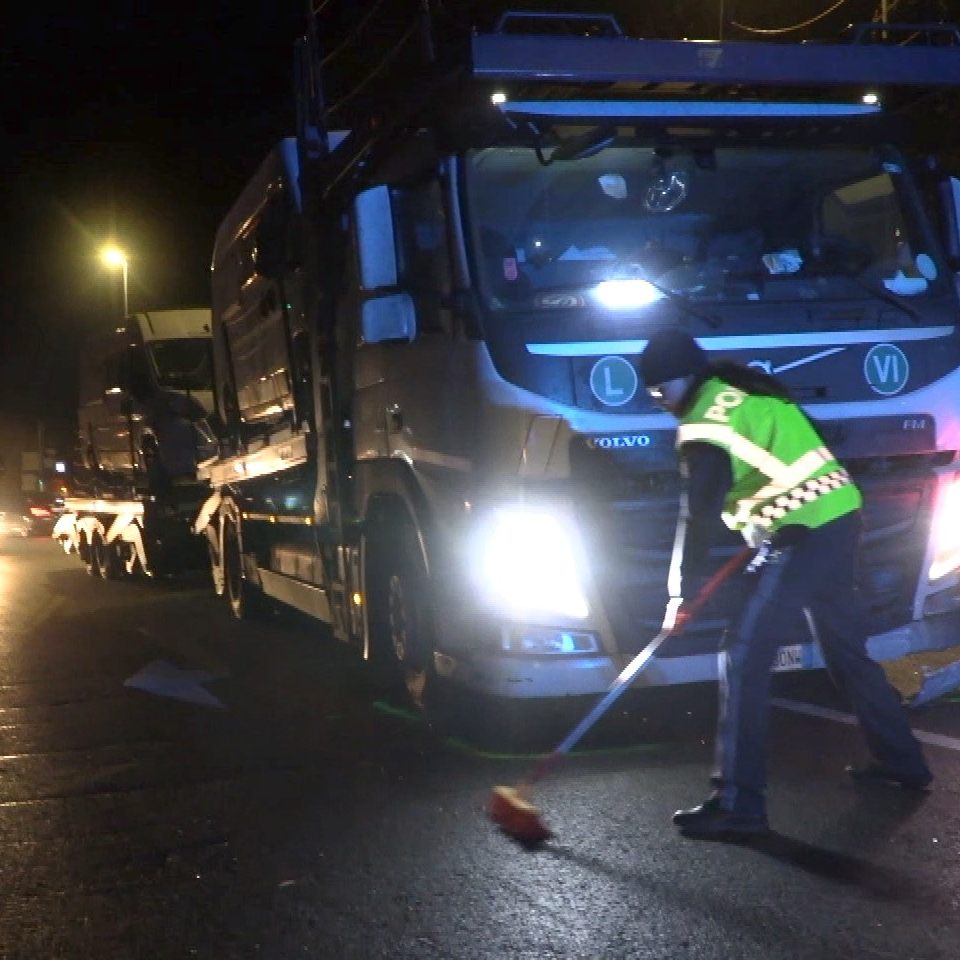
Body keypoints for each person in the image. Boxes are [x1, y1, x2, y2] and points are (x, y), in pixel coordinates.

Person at [638, 328, 932, 837]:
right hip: (838, 520)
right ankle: (904, 763)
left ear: (682, 381)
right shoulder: (748, 393)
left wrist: (681, 592)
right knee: (845, 652)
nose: (660, 403)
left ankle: (738, 803)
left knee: (742, 654)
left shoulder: (704, 421)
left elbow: (699, 514)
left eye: (660, 391)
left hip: (803, 536)